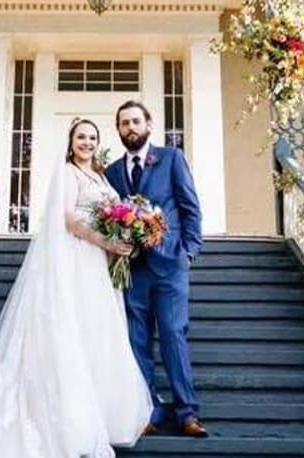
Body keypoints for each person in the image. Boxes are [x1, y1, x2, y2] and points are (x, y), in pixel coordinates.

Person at [0, 119, 153, 458]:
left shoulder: (100, 176)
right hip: (78, 259)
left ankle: (97, 413)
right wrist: (106, 240)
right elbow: (67, 217)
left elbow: (113, 211)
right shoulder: (68, 172)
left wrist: (121, 238)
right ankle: (67, 420)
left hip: (98, 265)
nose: (87, 142)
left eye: (92, 138)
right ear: (70, 141)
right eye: (81, 137)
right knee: (73, 332)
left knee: (97, 334)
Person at [106, 100, 208, 438]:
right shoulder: (112, 172)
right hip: (132, 269)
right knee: (136, 341)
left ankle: (187, 413)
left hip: (169, 265)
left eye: (136, 121)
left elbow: (190, 206)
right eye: (124, 123)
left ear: (149, 124)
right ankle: (147, 409)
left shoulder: (171, 159)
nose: (130, 128)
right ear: (119, 129)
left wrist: (189, 251)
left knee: (172, 335)